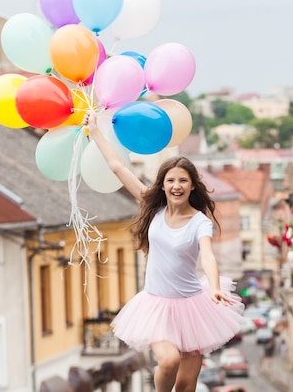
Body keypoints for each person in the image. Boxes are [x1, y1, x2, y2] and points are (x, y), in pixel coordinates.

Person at [84, 113, 245, 392]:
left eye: (183, 180)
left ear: (192, 185)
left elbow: (207, 255)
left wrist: (216, 287)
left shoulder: (199, 222)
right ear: (163, 185)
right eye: (171, 180)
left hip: (194, 306)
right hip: (156, 305)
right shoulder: (153, 208)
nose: (176, 186)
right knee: (168, 361)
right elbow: (117, 166)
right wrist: (95, 131)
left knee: (186, 385)